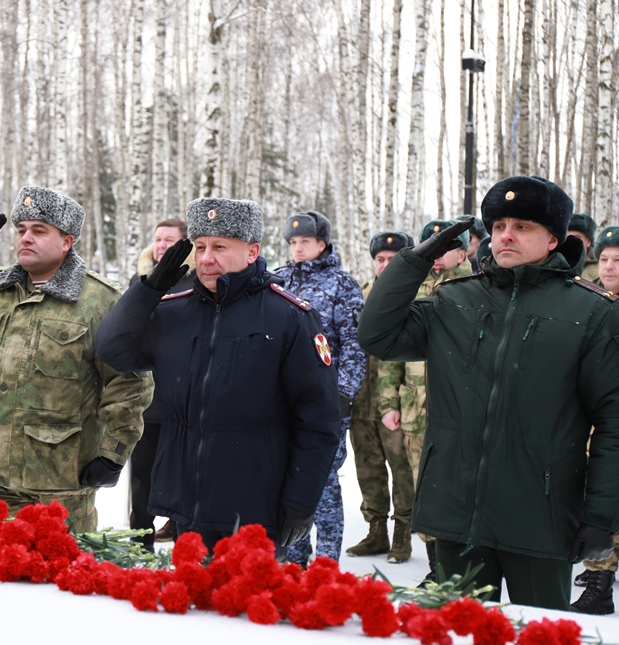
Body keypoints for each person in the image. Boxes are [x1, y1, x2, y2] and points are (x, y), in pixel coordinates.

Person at [359, 175, 619, 609]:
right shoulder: (453, 302)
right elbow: (376, 334)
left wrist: (604, 515)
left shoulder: (592, 313)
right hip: (457, 511)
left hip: (540, 517)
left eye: (523, 226)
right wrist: (414, 261)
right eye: (498, 225)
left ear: (553, 239)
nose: (505, 234)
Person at [95, 197, 341, 556]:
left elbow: (318, 421)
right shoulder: (173, 311)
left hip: (253, 506)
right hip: (185, 505)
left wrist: (301, 501)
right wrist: (148, 289)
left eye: (220, 247)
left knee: (241, 605)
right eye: (199, 247)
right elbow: (113, 349)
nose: (206, 258)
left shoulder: (288, 317)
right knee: (193, 604)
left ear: (252, 251)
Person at [0, 186, 153, 532]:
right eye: (21, 230)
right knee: (8, 569)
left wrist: (113, 452)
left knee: (65, 572)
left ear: (67, 241)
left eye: (39, 231)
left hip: (63, 477)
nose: (25, 238)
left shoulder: (100, 301)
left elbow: (129, 383)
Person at [382, 218, 473, 582]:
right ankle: (437, 569)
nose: (435, 255)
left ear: (463, 252)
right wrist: (390, 402)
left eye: (443, 247)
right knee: (425, 492)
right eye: (429, 247)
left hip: (459, 411)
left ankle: (461, 570)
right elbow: (391, 351)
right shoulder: (415, 286)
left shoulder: (474, 289)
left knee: (458, 492)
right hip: (417, 412)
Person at [273, 210, 365, 565]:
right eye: (293, 242)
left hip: (325, 404)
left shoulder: (343, 285)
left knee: (324, 487)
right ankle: (293, 563)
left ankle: (326, 566)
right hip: (283, 404)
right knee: (289, 484)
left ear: (322, 244)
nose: (297, 249)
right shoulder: (277, 281)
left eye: (305, 242)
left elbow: (355, 345)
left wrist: (343, 395)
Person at [569, 225, 619, 615]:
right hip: (599, 421)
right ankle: (598, 588)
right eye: (606, 258)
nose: (609, 267)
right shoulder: (594, 297)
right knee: (600, 502)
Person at [347, 231, 415, 563]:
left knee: (402, 468)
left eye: (393, 260)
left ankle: (403, 532)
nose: (385, 266)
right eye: (380, 260)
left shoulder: (413, 297)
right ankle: (376, 532)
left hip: (398, 401)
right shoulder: (362, 296)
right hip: (362, 400)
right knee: (368, 467)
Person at [128, 217, 195, 550]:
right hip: (146, 397)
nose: (162, 246)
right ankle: (140, 540)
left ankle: (185, 544)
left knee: (183, 477)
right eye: (158, 239)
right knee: (141, 476)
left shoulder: (196, 281)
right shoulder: (139, 280)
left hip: (186, 398)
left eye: (170, 240)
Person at [568, 212, 599, 282]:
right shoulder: (553, 263)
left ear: (588, 241)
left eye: (576, 237)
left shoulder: (601, 269)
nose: (570, 241)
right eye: (566, 238)